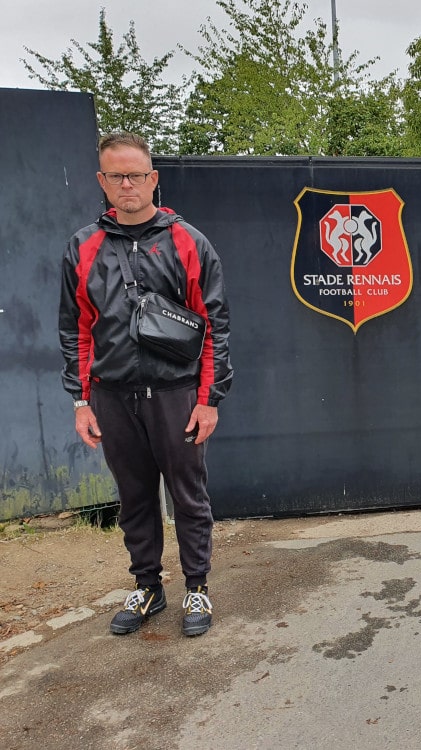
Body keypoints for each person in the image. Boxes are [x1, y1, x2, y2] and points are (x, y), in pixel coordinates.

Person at [58, 132, 233, 637]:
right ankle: (148, 586)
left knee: (188, 494)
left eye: (136, 174)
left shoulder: (187, 241)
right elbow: (75, 327)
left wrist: (208, 400)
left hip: (176, 393)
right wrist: (81, 400)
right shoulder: (83, 247)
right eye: (116, 175)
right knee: (133, 495)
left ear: (154, 178)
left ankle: (196, 585)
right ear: (102, 181)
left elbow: (214, 324)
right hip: (111, 395)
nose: (127, 184)